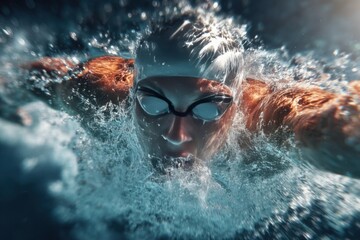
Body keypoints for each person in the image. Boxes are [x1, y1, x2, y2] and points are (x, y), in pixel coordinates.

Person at [24, 14, 360, 177]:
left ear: (236, 105)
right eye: (154, 103)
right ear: (132, 93)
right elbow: (30, 78)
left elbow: (314, 126)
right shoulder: (97, 94)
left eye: (207, 109)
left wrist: (341, 142)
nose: (175, 134)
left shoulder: (260, 125)